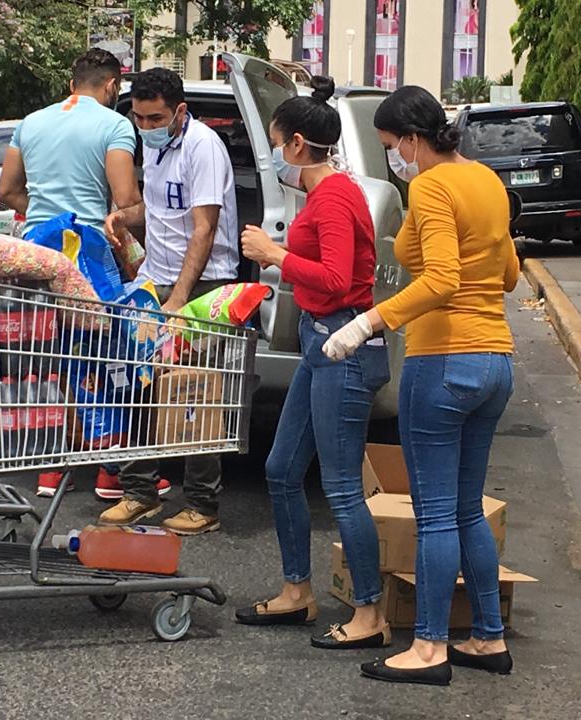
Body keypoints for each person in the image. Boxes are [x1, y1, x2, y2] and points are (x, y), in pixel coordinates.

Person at [323, 86, 519, 686]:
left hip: (444, 359)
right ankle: (487, 636)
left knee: (434, 515)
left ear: (411, 139)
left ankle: (429, 647)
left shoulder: (432, 187)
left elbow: (437, 279)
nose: (393, 161)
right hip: (495, 360)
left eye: (391, 148)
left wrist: (367, 323)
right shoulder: (485, 180)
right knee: (464, 510)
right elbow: (507, 274)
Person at [233, 77, 391, 648]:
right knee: (280, 470)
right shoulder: (323, 194)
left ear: (297, 144)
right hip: (319, 343)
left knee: (343, 487)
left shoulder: (336, 196)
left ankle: (370, 614)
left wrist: (275, 254)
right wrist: (278, 253)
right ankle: (297, 591)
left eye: (277, 143)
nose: (275, 154)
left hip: (343, 348)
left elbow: (337, 278)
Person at [0, 49, 154, 501]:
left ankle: (50, 468)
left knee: (53, 357)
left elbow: (7, 190)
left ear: (72, 83)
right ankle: (110, 470)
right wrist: (131, 222)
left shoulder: (31, 122)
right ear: (111, 86)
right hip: (86, 253)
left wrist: (45, 217)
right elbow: (125, 199)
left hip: (36, 255)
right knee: (107, 355)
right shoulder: (114, 125)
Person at [102, 67, 239, 535]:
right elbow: (158, 210)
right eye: (139, 118)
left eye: (155, 117)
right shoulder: (156, 149)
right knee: (140, 389)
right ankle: (139, 492)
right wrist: (123, 217)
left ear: (179, 111)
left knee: (194, 395)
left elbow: (203, 227)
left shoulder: (204, 148)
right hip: (154, 283)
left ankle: (203, 504)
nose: (146, 127)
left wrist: (179, 300)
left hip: (201, 289)